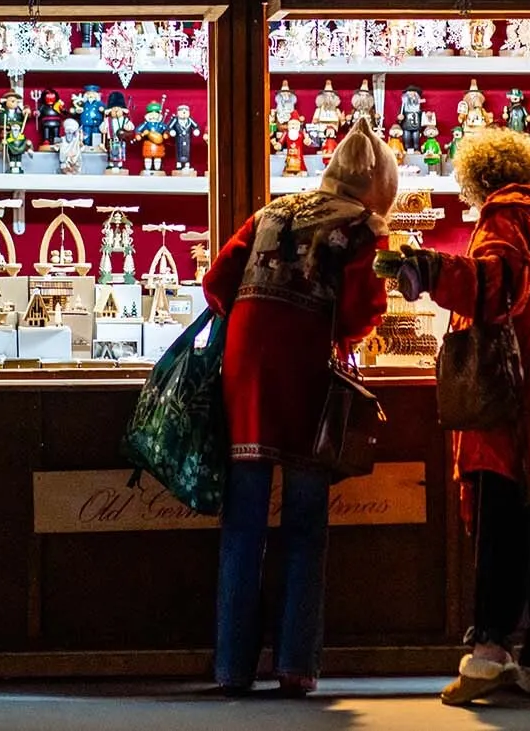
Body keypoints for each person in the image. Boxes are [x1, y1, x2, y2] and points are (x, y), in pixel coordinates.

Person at [376, 127, 530, 705]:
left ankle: (490, 650)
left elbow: (498, 287)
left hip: (514, 379)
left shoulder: (504, 215)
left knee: (503, 508)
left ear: (475, 179)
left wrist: (425, 270)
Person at [199, 117, 397, 697]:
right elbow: (362, 312)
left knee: (242, 523)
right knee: (306, 524)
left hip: (246, 372)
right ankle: (295, 664)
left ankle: (232, 668)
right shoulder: (363, 227)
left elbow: (217, 282)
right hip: (307, 376)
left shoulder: (274, 211)